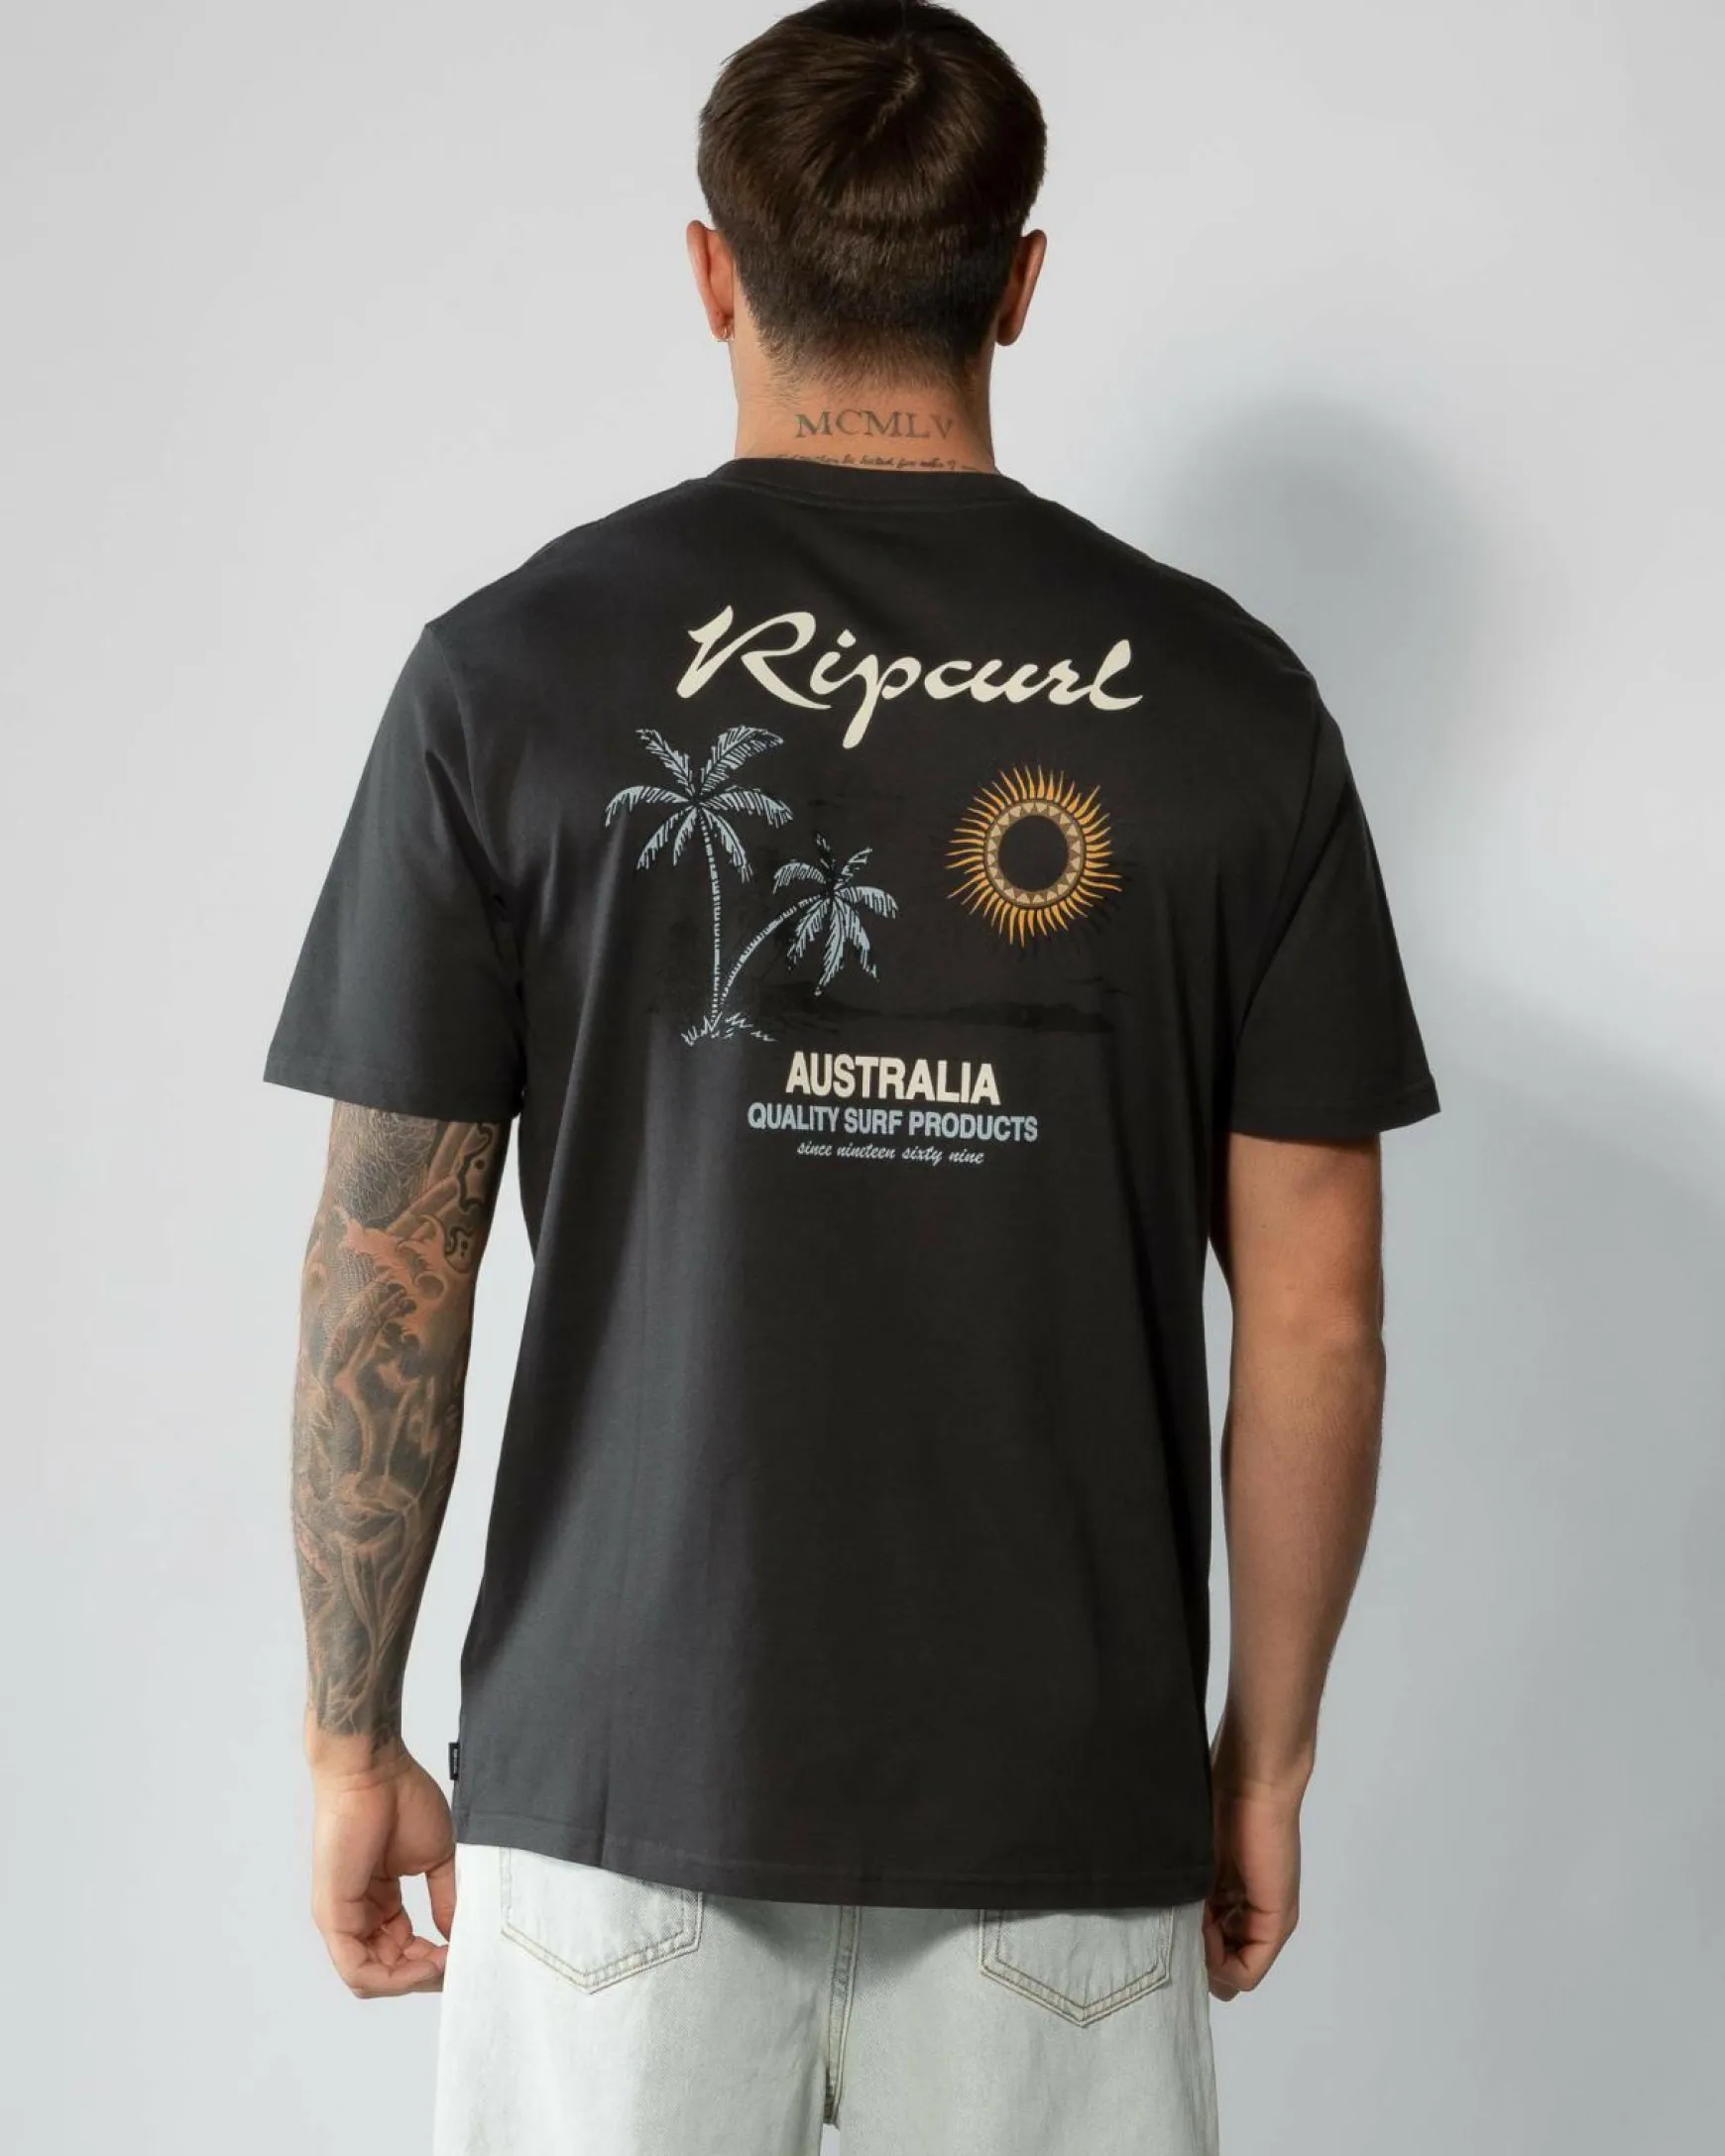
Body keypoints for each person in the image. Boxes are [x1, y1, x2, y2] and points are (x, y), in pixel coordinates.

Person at [266, 4, 1438, 2149]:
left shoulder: (505, 679)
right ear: (1020, 280)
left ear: (713, 272)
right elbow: (1321, 1318)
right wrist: (1262, 1761)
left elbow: (386, 1264)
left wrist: (351, 1737)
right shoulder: (1233, 707)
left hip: (616, 1800)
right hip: (1059, 1820)